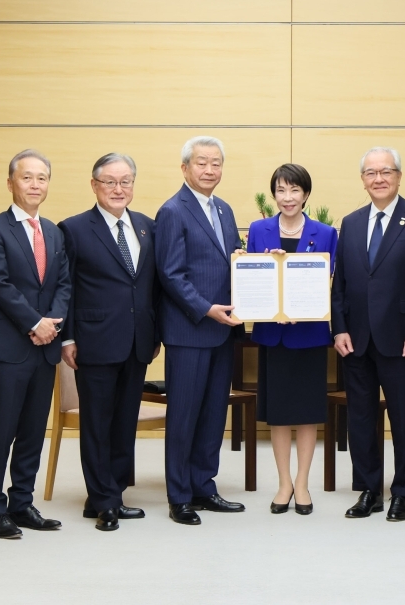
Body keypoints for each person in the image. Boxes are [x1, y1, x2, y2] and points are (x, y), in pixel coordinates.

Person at [331, 146, 405, 522]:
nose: (379, 179)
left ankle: (402, 492)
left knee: (403, 418)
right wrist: (339, 328)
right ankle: (369, 490)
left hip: (402, 338)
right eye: (371, 173)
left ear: (399, 176)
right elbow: (341, 284)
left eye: (386, 171)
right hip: (356, 339)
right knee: (360, 417)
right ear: (363, 180)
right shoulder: (351, 222)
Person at [59, 153, 160, 532]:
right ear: (94, 185)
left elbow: (152, 286)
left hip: (138, 342)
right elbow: (65, 287)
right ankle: (104, 501)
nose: (119, 189)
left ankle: (111, 493)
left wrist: (155, 333)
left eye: (125, 181)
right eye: (110, 182)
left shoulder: (147, 227)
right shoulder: (74, 229)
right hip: (94, 341)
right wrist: (68, 337)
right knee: (97, 423)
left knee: (123, 423)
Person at [0, 150, 71, 539]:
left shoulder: (54, 232)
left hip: (45, 347)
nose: (35, 184)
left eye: (42, 178)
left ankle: (22, 503)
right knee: (2, 429)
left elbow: (64, 285)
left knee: (33, 430)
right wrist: (35, 323)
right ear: (10, 182)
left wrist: (52, 324)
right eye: (27, 177)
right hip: (8, 347)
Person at [155, 136, 246, 525]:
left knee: (212, 415)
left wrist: (255, 262)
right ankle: (179, 496)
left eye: (216, 163)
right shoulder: (172, 211)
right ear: (185, 168)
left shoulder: (224, 209)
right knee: (184, 416)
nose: (210, 170)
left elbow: (234, 258)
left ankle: (203, 487)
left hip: (223, 332)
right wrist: (207, 309)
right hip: (189, 331)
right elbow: (170, 274)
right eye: (202, 162)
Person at [247, 164, 338, 515]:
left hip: (309, 335)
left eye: (295, 190)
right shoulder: (259, 230)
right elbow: (252, 278)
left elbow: (329, 281)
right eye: (281, 190)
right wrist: (258, 266)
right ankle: (283, 483)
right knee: (280, 414)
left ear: (306, 194)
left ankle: (302, 483)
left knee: (307, 413)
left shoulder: (325, 233)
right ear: (274, 194)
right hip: (274, 336)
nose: (288, 197)